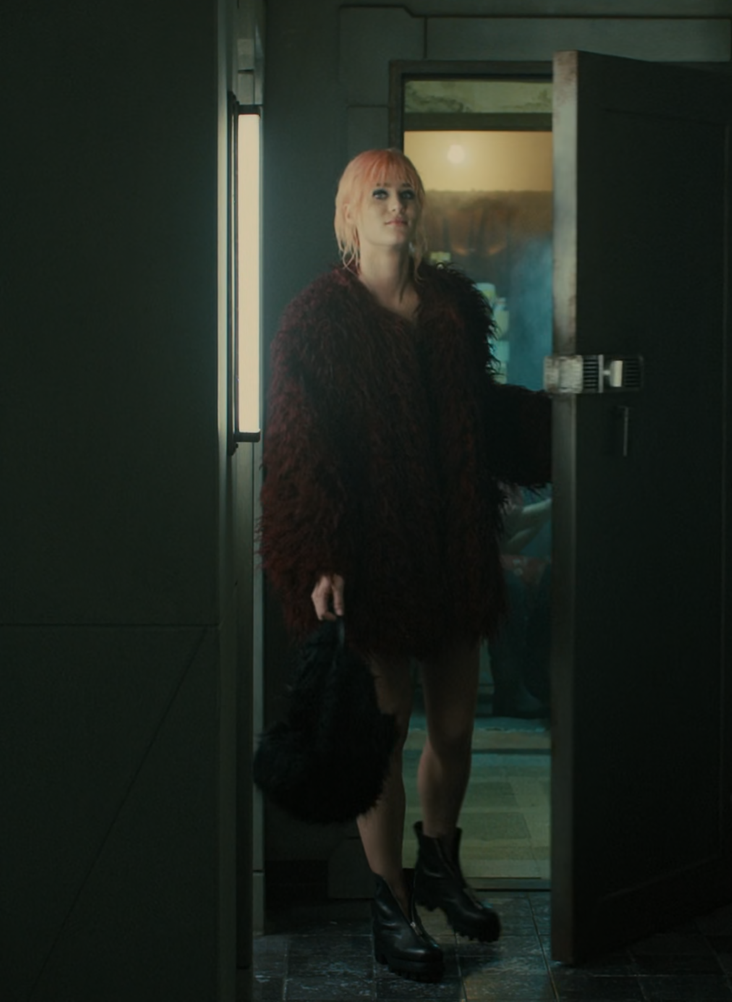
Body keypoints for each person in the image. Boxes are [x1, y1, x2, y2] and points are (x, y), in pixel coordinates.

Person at [258, 148, 552, 982]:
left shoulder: (452, 306)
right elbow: (298, 443)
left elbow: (479, 412)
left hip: (452, 546)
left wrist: (561, 419)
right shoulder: (320, 319)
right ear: (350, 213)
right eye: (380, 194)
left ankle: (440, 867)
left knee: (454, 730)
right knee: (382, 739)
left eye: (408, 194)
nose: (397, 206)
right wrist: (320, 556)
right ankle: (390, 904)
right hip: (372, 555)